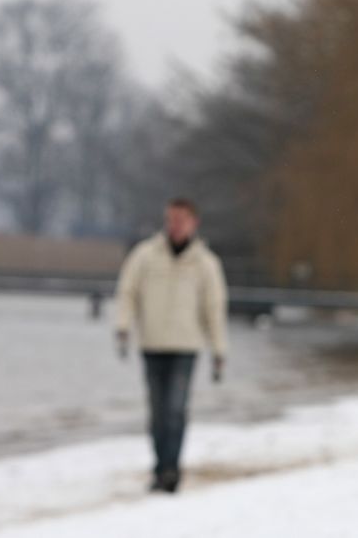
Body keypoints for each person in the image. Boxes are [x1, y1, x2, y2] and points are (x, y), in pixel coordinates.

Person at [114, 197, 228, 493]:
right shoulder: (145, 256)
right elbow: (127, 292)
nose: (175, 226)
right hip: (152, 343)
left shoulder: (205, 263)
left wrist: (219, 350)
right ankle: (160, 466)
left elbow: (213, 308)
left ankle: (171, 470)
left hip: (185, 346)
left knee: (175, 409)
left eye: (181, 220)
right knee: (157, 411)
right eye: (170, 219)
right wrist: (123, 327)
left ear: (193, 223)